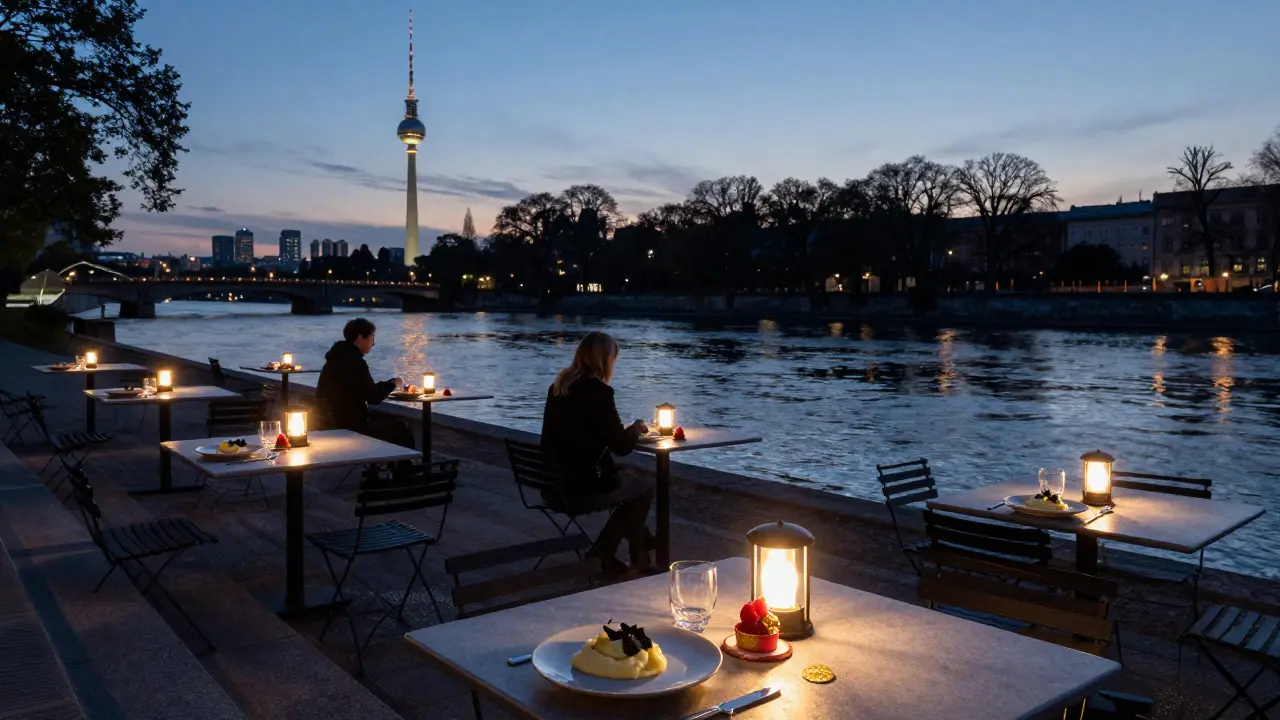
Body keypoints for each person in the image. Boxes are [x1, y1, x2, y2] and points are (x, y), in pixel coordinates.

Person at [541, 331, 655, 575]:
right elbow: (622, 447)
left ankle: (639, 549)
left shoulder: (559, 387)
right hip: (580, 487)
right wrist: (635, 429)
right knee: (643, 489)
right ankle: (605, 554)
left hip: (552, 483)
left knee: (629, 481)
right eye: (614, 358)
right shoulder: (599, 392)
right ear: (605, 359)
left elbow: (582, 432)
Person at [316, 317, 415, 450]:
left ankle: (395, 466)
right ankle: (405, 469)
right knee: (401, 428)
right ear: (360, 338)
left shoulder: (337, 358)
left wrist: (387, 384)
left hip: (332, 421)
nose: (373, 343)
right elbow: (373, 397)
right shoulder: (355, 362)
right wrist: (394, 383)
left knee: (391, 421)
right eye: (371, 338)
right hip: (351, 425)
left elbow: (365, 389)